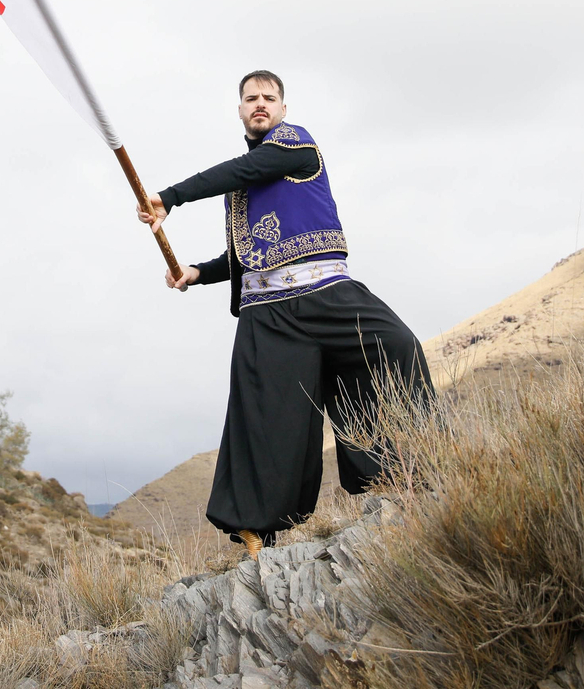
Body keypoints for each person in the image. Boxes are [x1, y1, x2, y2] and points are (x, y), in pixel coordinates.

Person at [139, 70, 434, 556]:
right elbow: (244, 254)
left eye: (268, 98)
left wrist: (170, 197)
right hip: (269, 315)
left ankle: (399, 478)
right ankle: (257, 531)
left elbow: (242, 169)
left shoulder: (295, 146)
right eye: (250, 98)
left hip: (327, 293)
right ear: (239, 109)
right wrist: (196, 272)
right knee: (268, 417)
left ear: (282, 109)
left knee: (395, 346)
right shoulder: (243, 190)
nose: (260, 104)